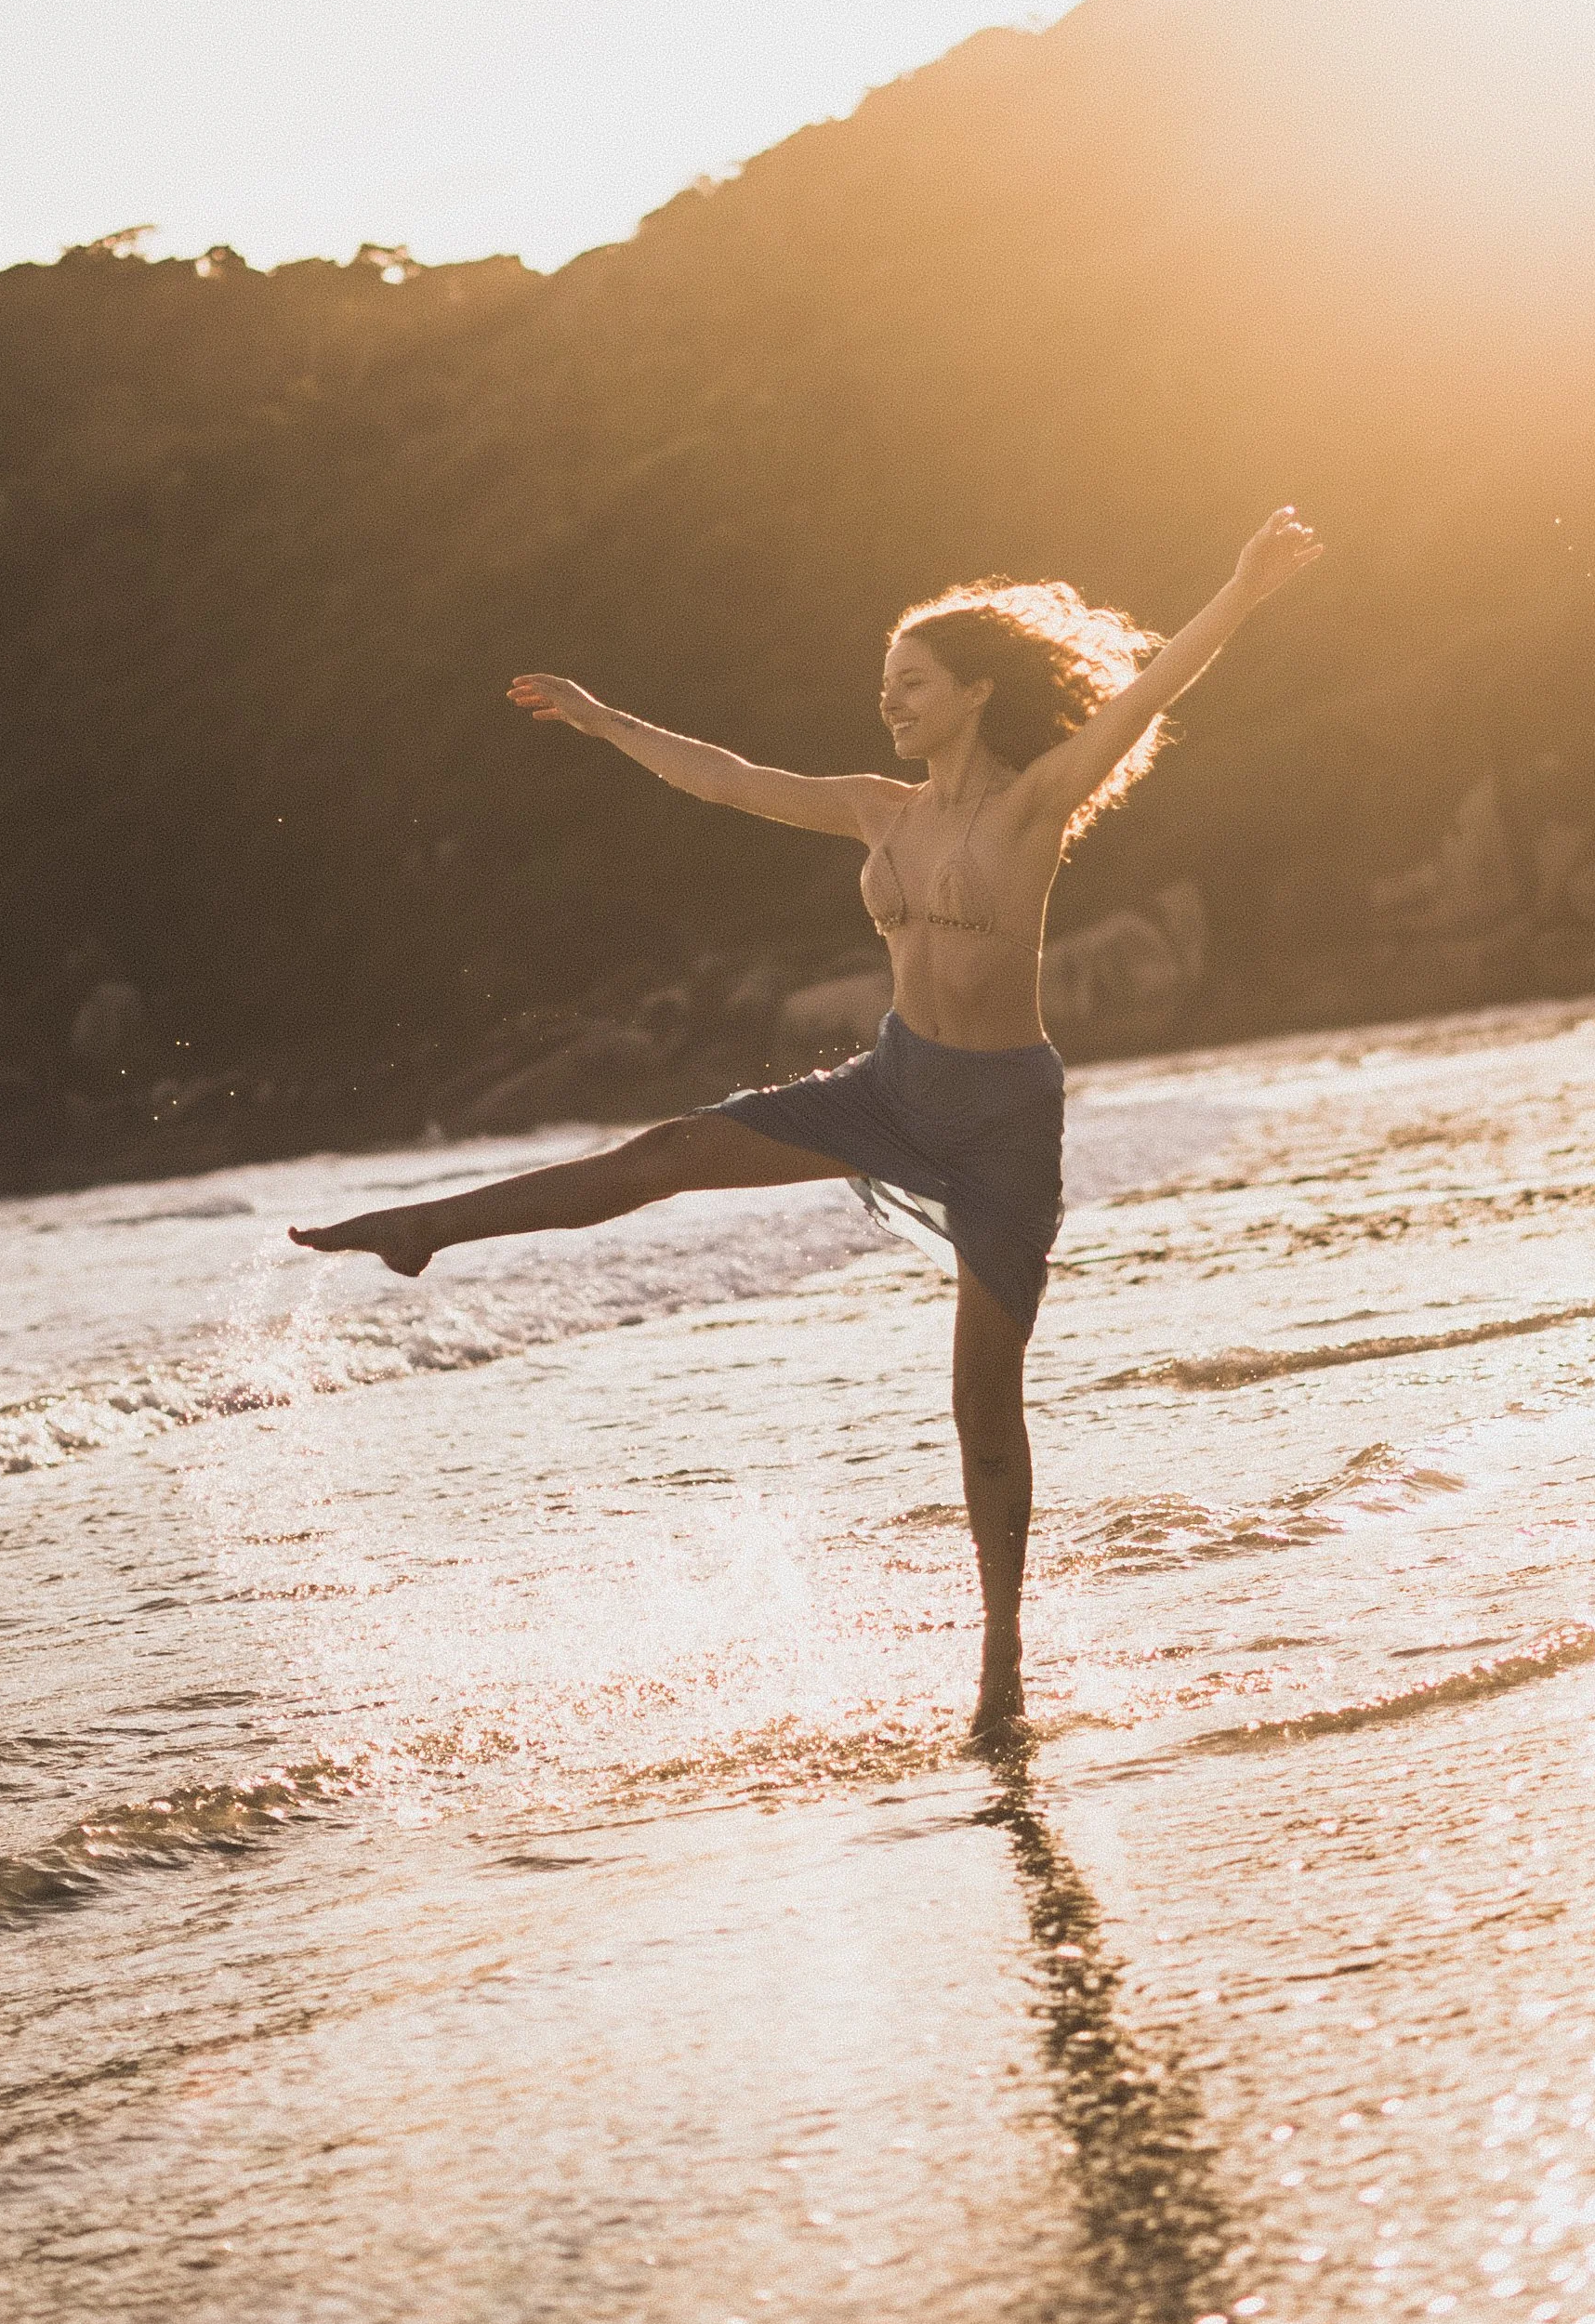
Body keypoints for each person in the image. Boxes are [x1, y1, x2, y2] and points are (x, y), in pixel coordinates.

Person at [292, 507, 1322, 1741]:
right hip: (889, 1089)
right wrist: (604, 717)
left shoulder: (1039, 802)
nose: (890, 700)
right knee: (668, 1153)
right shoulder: (879, 811)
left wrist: (1245, 588)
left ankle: (1001, 1674)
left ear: (976, 693)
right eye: (885, 682)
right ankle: (424, 1227)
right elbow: (729, 779)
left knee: (984, 1411)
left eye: (914, 683)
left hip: (999, 1122)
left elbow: (1151, 686)